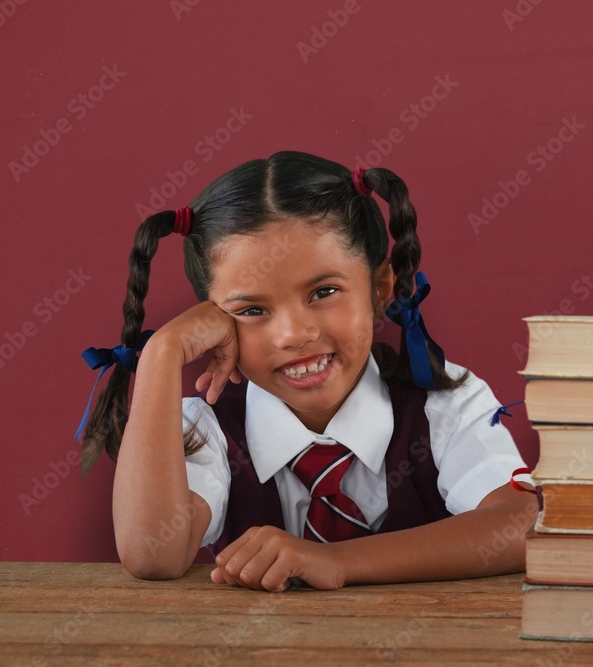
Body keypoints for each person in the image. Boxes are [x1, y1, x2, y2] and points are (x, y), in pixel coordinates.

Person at [76, 150, 537, 592]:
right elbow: (152, 554)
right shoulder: (207, 427)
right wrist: (162, 352)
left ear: (380, 289)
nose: (293, 335)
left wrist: (336, 562)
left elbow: (520, 525)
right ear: (213, 324)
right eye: (253, 309)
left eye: (323, 292)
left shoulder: (444, 402)